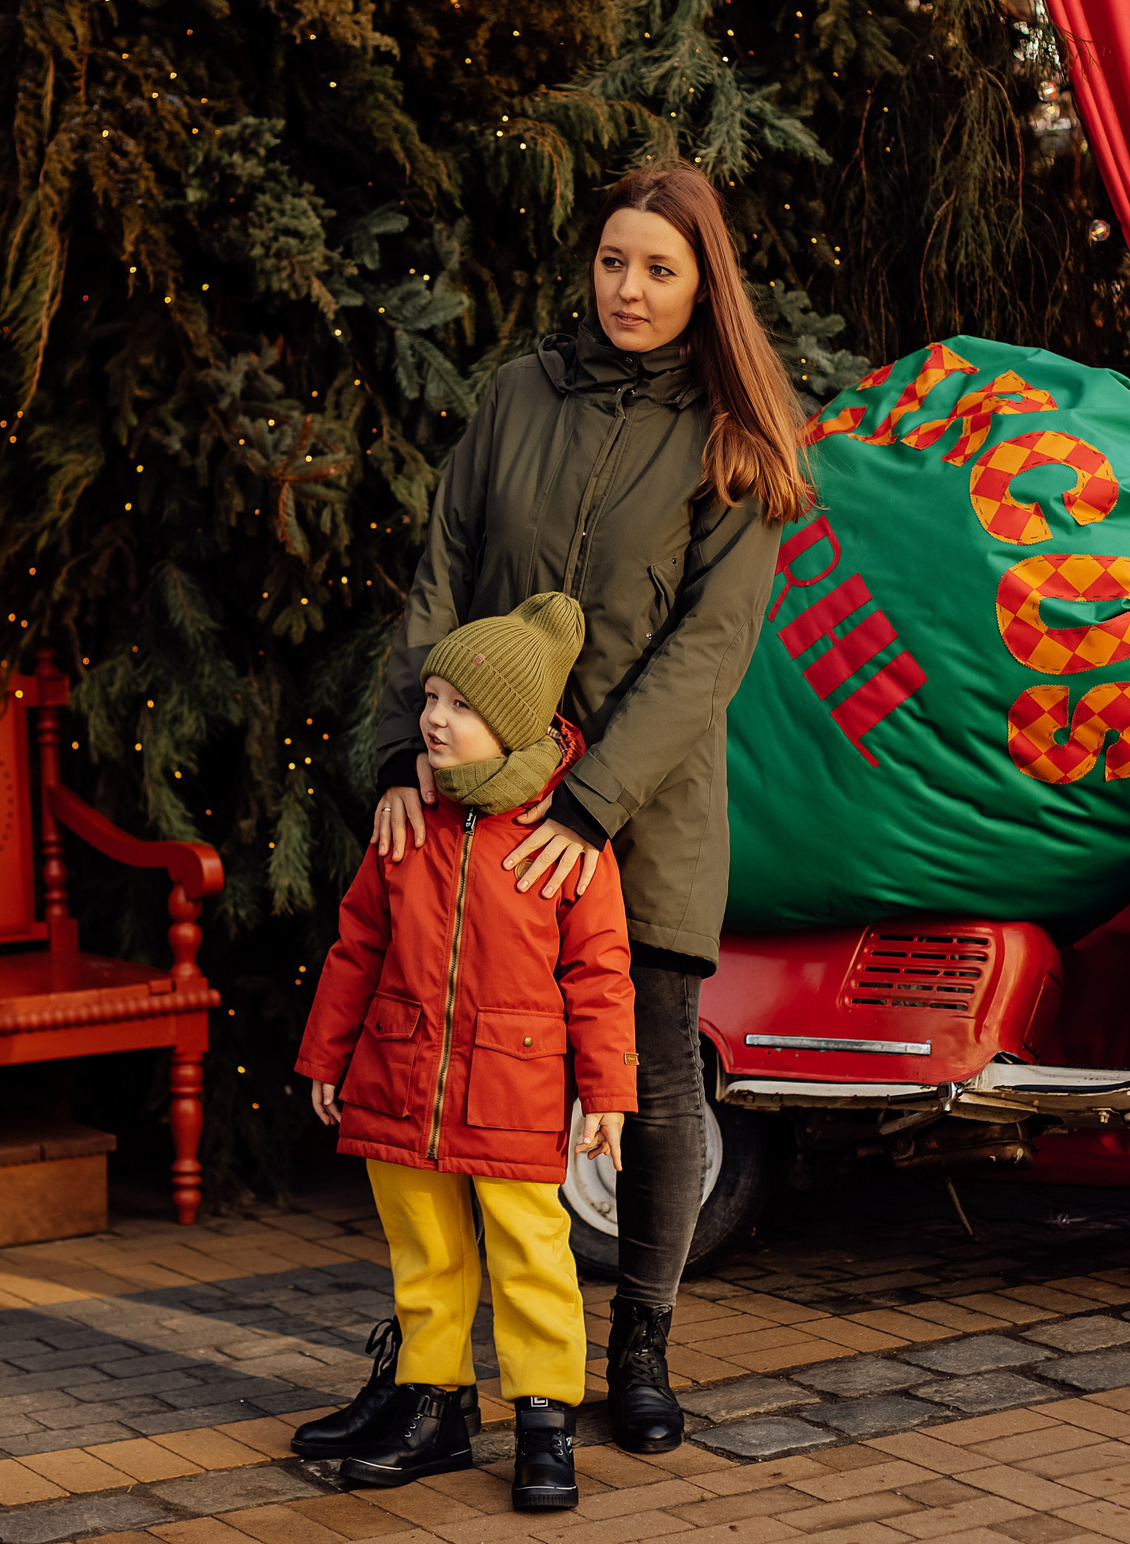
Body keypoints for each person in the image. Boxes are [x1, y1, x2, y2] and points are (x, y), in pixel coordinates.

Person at [350, 161, 814, 1455]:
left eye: (660, 269)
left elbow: (708, 651)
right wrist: (400, 755)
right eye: (614, 261)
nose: (630, 288)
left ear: (703, 286)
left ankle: (641, 1348)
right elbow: (442, 575)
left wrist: (592, 802)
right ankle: (429, 1374)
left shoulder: (733, 440)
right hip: (474, 810)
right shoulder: (516, 397)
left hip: (639, 815)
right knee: (442, 1079)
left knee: (654, 1085)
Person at [293, 593, 637, 1511]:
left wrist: (607, 1091)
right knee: (427, 1255)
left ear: (514, 725)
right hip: (398, 1077)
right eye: (431, 698)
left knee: (532, 1254)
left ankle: (545, 1419)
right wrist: (326, 1055)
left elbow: (602, 974)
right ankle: (433, 1405)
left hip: (513, 1090)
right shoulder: (408, 820)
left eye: (460, 705)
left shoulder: (565, 841)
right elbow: (359, 943)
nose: (434, 719)